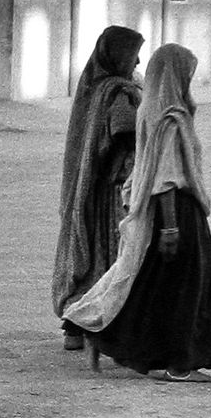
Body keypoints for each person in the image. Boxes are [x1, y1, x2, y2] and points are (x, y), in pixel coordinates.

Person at [61, 42, 211, 383]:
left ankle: (100, 333)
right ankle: (179, 363)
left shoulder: (152, 110)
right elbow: (167, 178)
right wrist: (170, 228)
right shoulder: (170, 119)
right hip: (177, 211)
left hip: (163, 210)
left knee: (151, 283)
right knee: (188, 286)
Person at [51, 25, 144, 351]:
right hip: (112, 187)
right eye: (134, 55)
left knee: (88, 252)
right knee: (110, 256)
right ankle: (97, 327)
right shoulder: (118, 91)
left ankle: (74, 327)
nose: (138, 62)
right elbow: (122, 127)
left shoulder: (92, 87)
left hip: (90, 184)